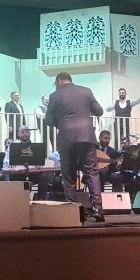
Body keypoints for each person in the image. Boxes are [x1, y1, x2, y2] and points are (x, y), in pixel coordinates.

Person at [46, 72, 105, 221]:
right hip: (86, 136)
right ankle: (98, 208)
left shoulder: (54, 96)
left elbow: (48, 121)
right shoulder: (86, 91)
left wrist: (61, 121)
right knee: (92, 172)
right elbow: (99, 111)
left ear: (59, 81)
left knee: (68, 175)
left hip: (67, 138)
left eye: (55, 84)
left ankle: (72, 210)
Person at [2, 125, 52, 200]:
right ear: (18, 134)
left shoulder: (36, 147)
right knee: (14, 178)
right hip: (18, 174)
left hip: (32, 173)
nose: (25, 134)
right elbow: (6, 161)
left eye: (27, 132)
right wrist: (13, 164)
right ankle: (21, 200)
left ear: (30, 133)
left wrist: (38, 165)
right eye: (22, 132)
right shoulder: (13, 146)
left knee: (44, 177)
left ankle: (41, 201)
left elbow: (39, 162)